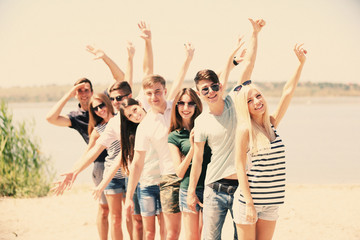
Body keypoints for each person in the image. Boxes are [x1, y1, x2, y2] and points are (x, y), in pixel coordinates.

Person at [95, 38, 195, 240]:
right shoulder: (144, 125)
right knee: (162, 232)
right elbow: (136, 162)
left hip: (184, 176)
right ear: (145, 97)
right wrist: (129, 195)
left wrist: (188, 59)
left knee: (181, 230)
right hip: (159, 181)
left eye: (158, 91)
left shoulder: (176, 108)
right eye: (149, 93)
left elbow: (175, 79)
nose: (154, 96)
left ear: (164, 92)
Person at [186, 18, 265, 240]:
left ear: (219, 86)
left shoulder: (235, 102)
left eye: (213, 86)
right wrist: (192, 191)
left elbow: (248, 66)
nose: (210, 91)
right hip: (214, 189)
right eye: (204, 89)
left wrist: (255, 34)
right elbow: (199, 160)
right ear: (199, 93)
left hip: (243, 186)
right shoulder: (201, 121)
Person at [233, 44, 307, 240]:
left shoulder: (272, 124)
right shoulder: (244, 130)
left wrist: (300, 64)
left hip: (272, 202)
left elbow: (287, 92)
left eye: (258, 96)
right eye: (250, 100)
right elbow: (240, 166)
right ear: (244, 106)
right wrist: (249, 203)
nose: (257, 101)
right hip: (249, 202)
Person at [167, 88, 211, 240]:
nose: (186, 108)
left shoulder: (206, 126)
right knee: (193, 237)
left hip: (211, 188)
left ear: (197, 106)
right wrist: (193, 148)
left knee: (208, 235)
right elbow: (179, 172)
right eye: (182, 103)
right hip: (187, 190)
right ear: (176, 106)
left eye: (190, 104)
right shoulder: (174, 136)